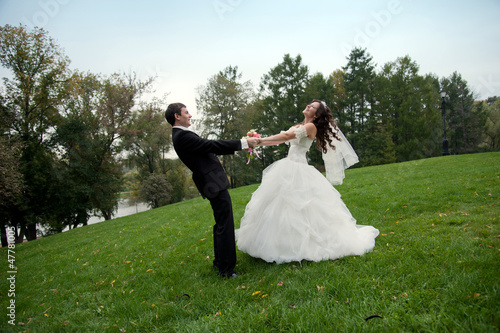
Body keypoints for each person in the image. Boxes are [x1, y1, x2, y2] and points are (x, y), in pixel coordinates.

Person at [236, 99, 379, 264]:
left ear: (317, 115)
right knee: (278, 207)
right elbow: (281, 140)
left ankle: (300, 245)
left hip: (298, 168)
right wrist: (258, 142)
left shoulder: (311, 127)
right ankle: (282, 243)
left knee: (300, 208)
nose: (308, 106)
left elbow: (286, 136)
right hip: (288, 166)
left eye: (313, 107)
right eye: (309, 104)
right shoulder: (298, 126)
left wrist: (259, 141)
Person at [165, 103, 258, 278]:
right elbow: (211, 145)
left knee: (221, 222)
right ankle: (226, 270)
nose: (190, 115)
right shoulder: (182, 136)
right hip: (212, 183)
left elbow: (204, 151)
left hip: (211, 181)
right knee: (225, 224)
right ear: (177, 116)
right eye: (186, 112)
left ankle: (220, 263)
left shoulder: (182, 135)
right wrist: (243, 143)